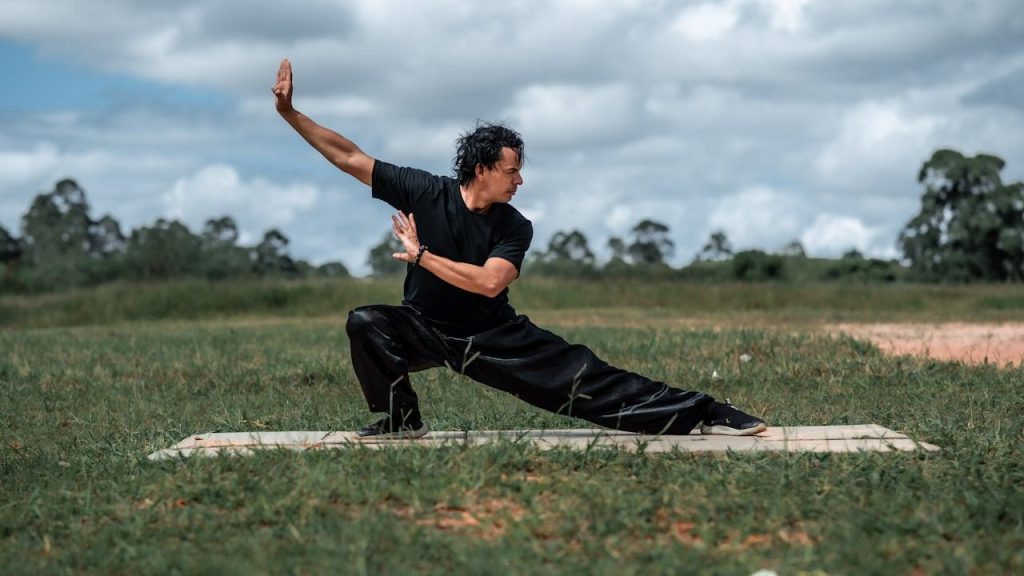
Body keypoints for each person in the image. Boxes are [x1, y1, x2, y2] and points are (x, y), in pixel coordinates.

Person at [273, 59, 767, 439]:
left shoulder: (514, 225)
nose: (520, 180)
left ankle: (703, 411)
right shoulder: (425, 192)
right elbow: (349, 156)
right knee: (366, 322)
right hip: (424, 327)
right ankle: (403, 420)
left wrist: (422, 257)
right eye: (512, 171)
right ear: (482, 169)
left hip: (492, 335)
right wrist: (290, 113)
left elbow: (489, 283)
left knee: (585, 381)